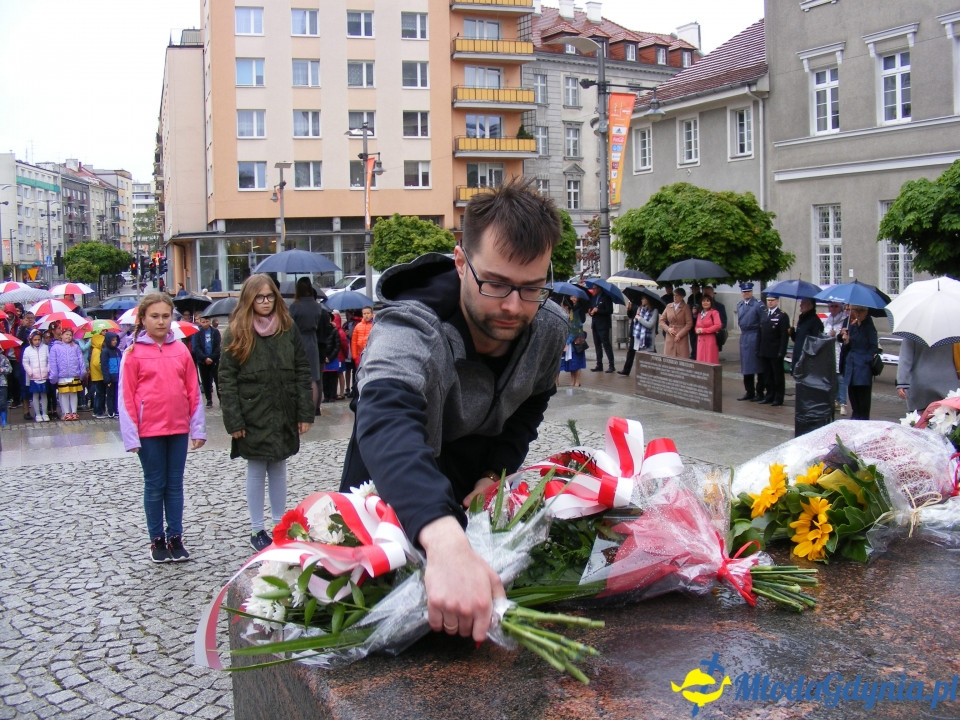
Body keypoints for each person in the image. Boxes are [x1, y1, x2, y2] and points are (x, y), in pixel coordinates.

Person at [339, 177, 566, 642]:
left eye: (531, 288)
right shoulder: (410, 322)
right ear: (461, 261)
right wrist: (443, 537)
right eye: (496, 283)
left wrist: (495, 471)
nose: (512, 305)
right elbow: (383, 415)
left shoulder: (548, 327)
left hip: (471, 502)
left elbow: (533, 400)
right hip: (392, 493)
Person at [218, 274, 314, 552]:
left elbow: (301, 369)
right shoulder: (237, 330)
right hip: (252, 411)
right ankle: (257, 528)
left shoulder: (287, 327)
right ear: (249, 299)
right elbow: (227, 378)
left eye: (270, 296)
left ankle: (278, 524)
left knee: (279, 465)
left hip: (283, 408)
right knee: (257, 467)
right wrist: (233, 420)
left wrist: (304, 412)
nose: (265, 302)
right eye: (259, 297)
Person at [119, 292, 206, 563]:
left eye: (165, 316)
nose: (160, 321)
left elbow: (193, 389)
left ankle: (176, 536)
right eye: (154, 316)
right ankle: (156, 539)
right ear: (142, 319)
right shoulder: (133, 353)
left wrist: (198, 428)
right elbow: (126, 396)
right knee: (155, 484)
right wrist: (131, 434)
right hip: (149, 431)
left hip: (177, 428)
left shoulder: (180, 350)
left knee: (175, 484)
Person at [288, 277, 327, 413]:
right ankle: (314, 408)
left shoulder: (294, 306)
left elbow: (289, 325)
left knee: (298, 374)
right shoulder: (317, 306)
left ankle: (301, 408)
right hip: (312, 341)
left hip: (298, 341)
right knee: (314, 377)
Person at [896, 338, 960, 412]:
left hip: (921, 382)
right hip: (948, 382)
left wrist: (902, 383)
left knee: (920, 419)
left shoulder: (913, 331)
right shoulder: (952, 331)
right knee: (949, 417)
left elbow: (905, 358)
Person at [839, 305, 879, 420]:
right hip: (851, 367)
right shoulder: (852, 326)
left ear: (866, 312)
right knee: (854, 402)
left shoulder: (869, 327)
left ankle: (862, 422)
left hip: (863, 370)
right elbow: (848, 347)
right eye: (855, 310)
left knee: (863, 404)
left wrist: (864, 359)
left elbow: (874, 348)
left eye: (861, 311)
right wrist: (846, 341)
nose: (858, 313)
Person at [757, 294, 790, 406]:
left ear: (777, 301)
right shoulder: (764, 314)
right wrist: (758, 348)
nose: (770, 302)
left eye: (772, 300)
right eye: (768, 300)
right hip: (764, 350)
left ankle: (778, 397)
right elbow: (760, 333)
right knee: (767, 375)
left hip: (775, 351)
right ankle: (769, 395)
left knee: (777, 376)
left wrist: (782, 351)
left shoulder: (782, 316)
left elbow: (784, 336)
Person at [48, 327, 86, 421]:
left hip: (74, 374)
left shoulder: (75, 347)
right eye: (66, 334)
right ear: (61, 335)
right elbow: (53, 362)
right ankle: (66, 412)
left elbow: (81, 360)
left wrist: (82, 372)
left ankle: (74, 411)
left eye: (70, 335)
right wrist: (54, 376)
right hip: (62, 375)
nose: (68, 336)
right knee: (64, 394)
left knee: (73, 393)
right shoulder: (55, 347)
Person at [736, 283, 765, 401]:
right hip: (744, 336)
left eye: (748, 292)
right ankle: (749, 391)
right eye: (744, 292)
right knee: (746, 366)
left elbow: (763, 321)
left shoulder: (758, 305)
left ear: (752, 292)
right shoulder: (740, 305)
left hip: (755, 335)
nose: (746, 294)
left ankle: (760, 391)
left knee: (757, 365)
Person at [619, 295, 659, 375]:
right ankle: (627, 370)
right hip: (637, 334)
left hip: (647, 337)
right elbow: (633, 319)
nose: (641, 300)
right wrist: (631, 311)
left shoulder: (654, 311)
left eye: (643, 298)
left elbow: (650, 324)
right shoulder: (640, 308)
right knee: (632, 352)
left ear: (648, 300)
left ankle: (653, 372)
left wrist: (639, 318)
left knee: (650, 355)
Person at [822, 301, 850, 415]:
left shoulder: (844, 320)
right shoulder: (828, 319)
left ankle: (843, 402)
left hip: (840, 351)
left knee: (840, 378)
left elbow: (843, 337)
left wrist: (836, 335)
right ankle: (835, 399)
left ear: (840, 308)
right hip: (829, 351)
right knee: (832, 377)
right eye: (830, 306)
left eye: (835, 306)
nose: (832, 309)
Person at [191, 315, 222, 408]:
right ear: (200, 322)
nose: (205, 324)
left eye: (207, 321)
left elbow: (217, 346)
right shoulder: (197, 333)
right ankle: (209, 400)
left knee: (217, 380)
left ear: (210, 321)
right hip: (203, 361)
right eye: (203, 322)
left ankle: (221, 399)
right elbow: (196, 347)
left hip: (214, 360)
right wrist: (204, 358)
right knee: (206, 380)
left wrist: (212, 357)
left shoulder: (215, 332)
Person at [789, 298, 824, 374]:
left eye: (803, 303)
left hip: (806, 357)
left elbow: (816, 341)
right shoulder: (802, 319)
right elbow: (798, 339)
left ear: (810, 305)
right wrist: (792, 333)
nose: (800, 305)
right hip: (798, 354)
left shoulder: (815, 321)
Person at [558, 295, 587, 386]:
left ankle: (576, 382)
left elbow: (575, 330)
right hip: (569, 342)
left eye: (562, 306)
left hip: (575, 342)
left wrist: (567, 342)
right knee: (572, 362)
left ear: (566, 307)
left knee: (576, 362)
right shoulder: (566, 314)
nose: (561, 307)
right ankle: (573, 382)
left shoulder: (575, 314)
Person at [21, 330, 50, 422]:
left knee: (44, 395)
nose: (37, 341)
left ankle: (45, 413)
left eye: (39, 339)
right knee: (35, 396)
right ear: (31, 340)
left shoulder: (45, 348)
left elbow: (49, 360)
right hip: (33, 376)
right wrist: (30, 371)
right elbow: (25, 362)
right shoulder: (27, 350)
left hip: (44, 376)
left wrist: (47, 369)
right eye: (35, 340)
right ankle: (37, 414)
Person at [659, 287, 693, 359]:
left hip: (681, 335)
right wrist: (668, 329)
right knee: (669, 358)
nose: (675, 297)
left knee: (681, 358)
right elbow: (661, 320)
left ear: (682, 297)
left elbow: (689, 323)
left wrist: (680, 335)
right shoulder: (669, 306)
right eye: (674, 295)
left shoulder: (686, 307)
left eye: (677, 295)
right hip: (670, 334)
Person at [588, 286, 615, 372]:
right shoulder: (594, 298)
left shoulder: (606, 298)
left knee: (606, 345)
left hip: (603, 325)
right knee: (597, 345)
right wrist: (591, 312)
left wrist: (598, 310)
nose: (593, 290)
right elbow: (593, 309)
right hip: (595, 324)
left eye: (595, 288)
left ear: (600, 289)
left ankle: (611, 365)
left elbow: (609, 311)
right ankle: (599, 364)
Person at [694, 294, 723, 364]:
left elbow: (718, 325)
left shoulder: (714, 312)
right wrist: (697, 330)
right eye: (703, 301)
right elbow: (697, 326)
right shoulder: (700, 313)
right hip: (700, 341)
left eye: (708, 301)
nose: (705, 303)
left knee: (710, 360)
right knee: (701, 361)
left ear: (711, 302)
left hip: (710, 340)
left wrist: (704, 330)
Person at [101, 331, 122, 418]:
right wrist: (107, 379)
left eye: (116, 340)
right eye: (113, 340)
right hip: (110, 376)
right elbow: (104, 366)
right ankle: (110, 411)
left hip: (118, 376)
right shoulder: (105, 351)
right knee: (110, 395)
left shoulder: (117, 351)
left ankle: (116, 409)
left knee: (118, 394)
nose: (115, 342)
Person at [350, 306, 375, 372]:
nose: (366, 315)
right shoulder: (358, 326)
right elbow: (354, 342)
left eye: (368, 313)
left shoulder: (375, 325)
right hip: (359, 356)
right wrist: (354, 356)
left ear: (372, 314)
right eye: (364, 313)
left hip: (371, 355)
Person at [89, 328, 107, 419]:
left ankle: (97, 411)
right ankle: (99, 411)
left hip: (97, 376)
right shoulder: (97, 350)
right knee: (100, 394)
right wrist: (103, 371)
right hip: (99, 376)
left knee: (99, 394)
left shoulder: (96, 350)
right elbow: (97, 363)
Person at [687, 282, 703, 360]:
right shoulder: (690, 297)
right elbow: (688, 307)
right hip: (692, 321)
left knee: (698, 339)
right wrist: (691, 309)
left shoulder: (701, 297)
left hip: (698, 320)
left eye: (695, 289)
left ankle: (698, 353)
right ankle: (693, 353)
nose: (693, 290)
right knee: (692, 338)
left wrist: (697, 309)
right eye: (692, 289)